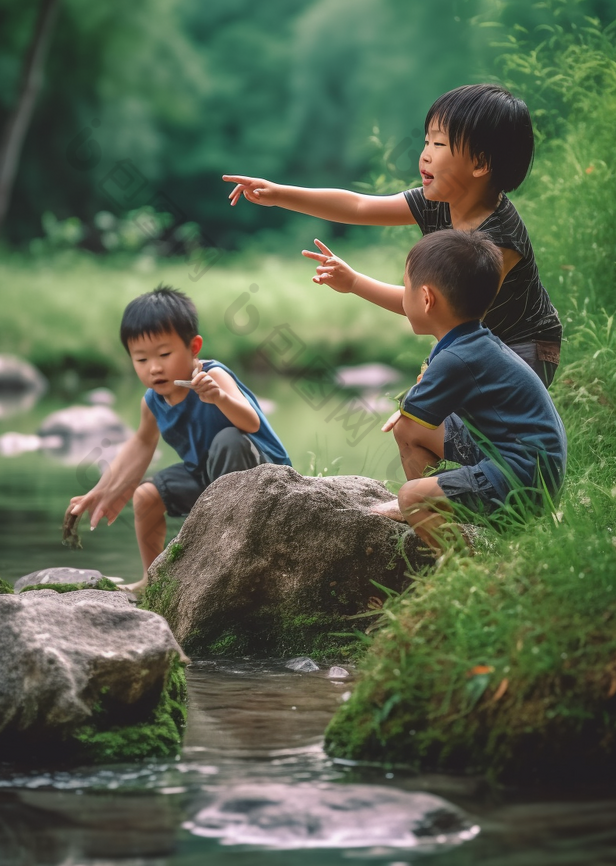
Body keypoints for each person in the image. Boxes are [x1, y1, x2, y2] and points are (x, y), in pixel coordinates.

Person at [223, 84, 562, 386]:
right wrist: (278, 194)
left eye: (440, 143)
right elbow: (358, 206)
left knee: (460, 427)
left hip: (526, 348)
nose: (425, 153)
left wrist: (435, 364)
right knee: (424, 423)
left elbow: (447, 314)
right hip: (479, 340)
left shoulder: (498, 240)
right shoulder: (442, 201)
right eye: (426, 140)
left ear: (480, 164)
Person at [65, 285, 291, 591]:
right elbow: (141, 445)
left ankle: (229, 557)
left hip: (260, 474)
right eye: (141, 359)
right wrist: (100, 491)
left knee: (229, 439)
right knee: (146, 496)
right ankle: (152, 582)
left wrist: (219, 397)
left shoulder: (213, 376)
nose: (154, 367)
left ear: (193, 347)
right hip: (208, 479)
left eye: (165, 354)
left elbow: (250, 422)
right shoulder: (152, 401)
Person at [368, 229, 566, 548]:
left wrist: (412, 408)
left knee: (409, 495)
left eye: (406, 287)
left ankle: (458, 563)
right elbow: (414, 419)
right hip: (527, 464)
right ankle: (432, 506)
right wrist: (413, 410)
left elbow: (418, 406)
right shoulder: (471, 342)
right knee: (406, 428)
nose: (403, 295)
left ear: (426, 299)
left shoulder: (456, 358)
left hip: (523, 478)